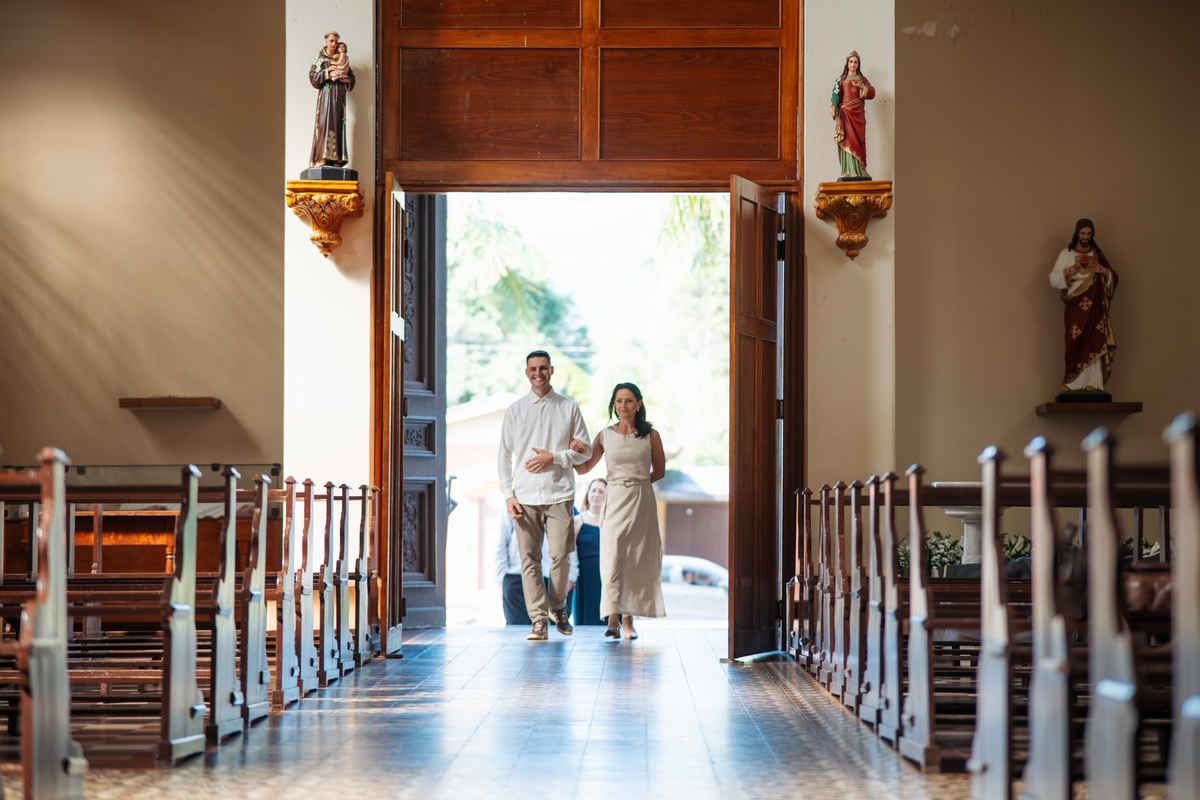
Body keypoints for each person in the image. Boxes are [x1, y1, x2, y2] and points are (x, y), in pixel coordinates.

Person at [497, 350, 591, 640]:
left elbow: (585, 451)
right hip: (524, 496)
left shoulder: (569, 408)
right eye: (533, 369)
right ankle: (538, 620)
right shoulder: (515, 410)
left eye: (544, 368)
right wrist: (508, 494)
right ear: (527, 372)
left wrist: (556, 457)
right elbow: (504, 455)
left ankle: (558, 607)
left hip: (560, 494)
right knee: (529, 559)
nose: (538, 373)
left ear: (552, 370)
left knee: (561, 555)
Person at [573, 383, 666, 639]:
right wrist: (572, 452)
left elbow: (659, 471)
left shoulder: (651, 435)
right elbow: (584, 468)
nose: (622, 405)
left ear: (638, 403)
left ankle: (627, 622)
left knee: (634, 559)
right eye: (618, 401)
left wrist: (636, 482)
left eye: (628, 400)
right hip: (613, 500)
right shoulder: (605, 435)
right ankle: (611, 618)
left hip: (640, 500)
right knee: (612, 557)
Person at [1048, 219, 1118, 393]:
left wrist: (1103, 271)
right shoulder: (1066, 254)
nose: (1085, 237)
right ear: (1077, 234)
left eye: (1088, 234)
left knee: (1094, 339)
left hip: (1095, 306)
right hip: (1075, 306)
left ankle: (1093, 383)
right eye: (1083, 233)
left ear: (1091, 235)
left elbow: (1113, 277)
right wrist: (1067, 273)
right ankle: (1071, 382)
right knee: (1074, 342)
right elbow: (1052, 278)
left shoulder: (1097, 253)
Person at [495, 512, 577, 626]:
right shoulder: (511, 502)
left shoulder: (557, 503)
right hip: (515, 575)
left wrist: (571, 575)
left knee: (549, 630)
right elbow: (501, 541)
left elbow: (568, 540)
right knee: (516, 628)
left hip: (549, 576)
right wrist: (501, 578)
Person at [308, 31, 355, 170]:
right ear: (326, 41)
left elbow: (351, 76)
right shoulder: (320, 59)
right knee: (325, 124)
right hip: (326, 99)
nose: (334, 44)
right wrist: (328, 72)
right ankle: (322, 157)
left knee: (337, 124)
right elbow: (313, 77)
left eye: (336, 42)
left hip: (339, 98)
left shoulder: (341, 58)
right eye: (331, 41)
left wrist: (347, 80)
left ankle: (336, 158)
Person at [830, 51, 875, 180]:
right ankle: (848, 171)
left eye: (855, 62)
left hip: (858, 116)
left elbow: (872, 92)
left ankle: (860, 171)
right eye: (851, 62)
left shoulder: (862, 79)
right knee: (848, 139)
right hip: (846, 115)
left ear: (858, 64)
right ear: (847, 63)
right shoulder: (841, 79)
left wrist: (862, 87)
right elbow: (835, 96)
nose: (853, 64)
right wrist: (833, 108)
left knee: (859, 141)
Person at [571, 478, 608, 626]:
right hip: (585, 578)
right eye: (593, 490)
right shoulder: (578, 520)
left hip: (607, 579)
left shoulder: (612, 520)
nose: (596, 494)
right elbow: (571, 551)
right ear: (588, 494)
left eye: (601, 491)